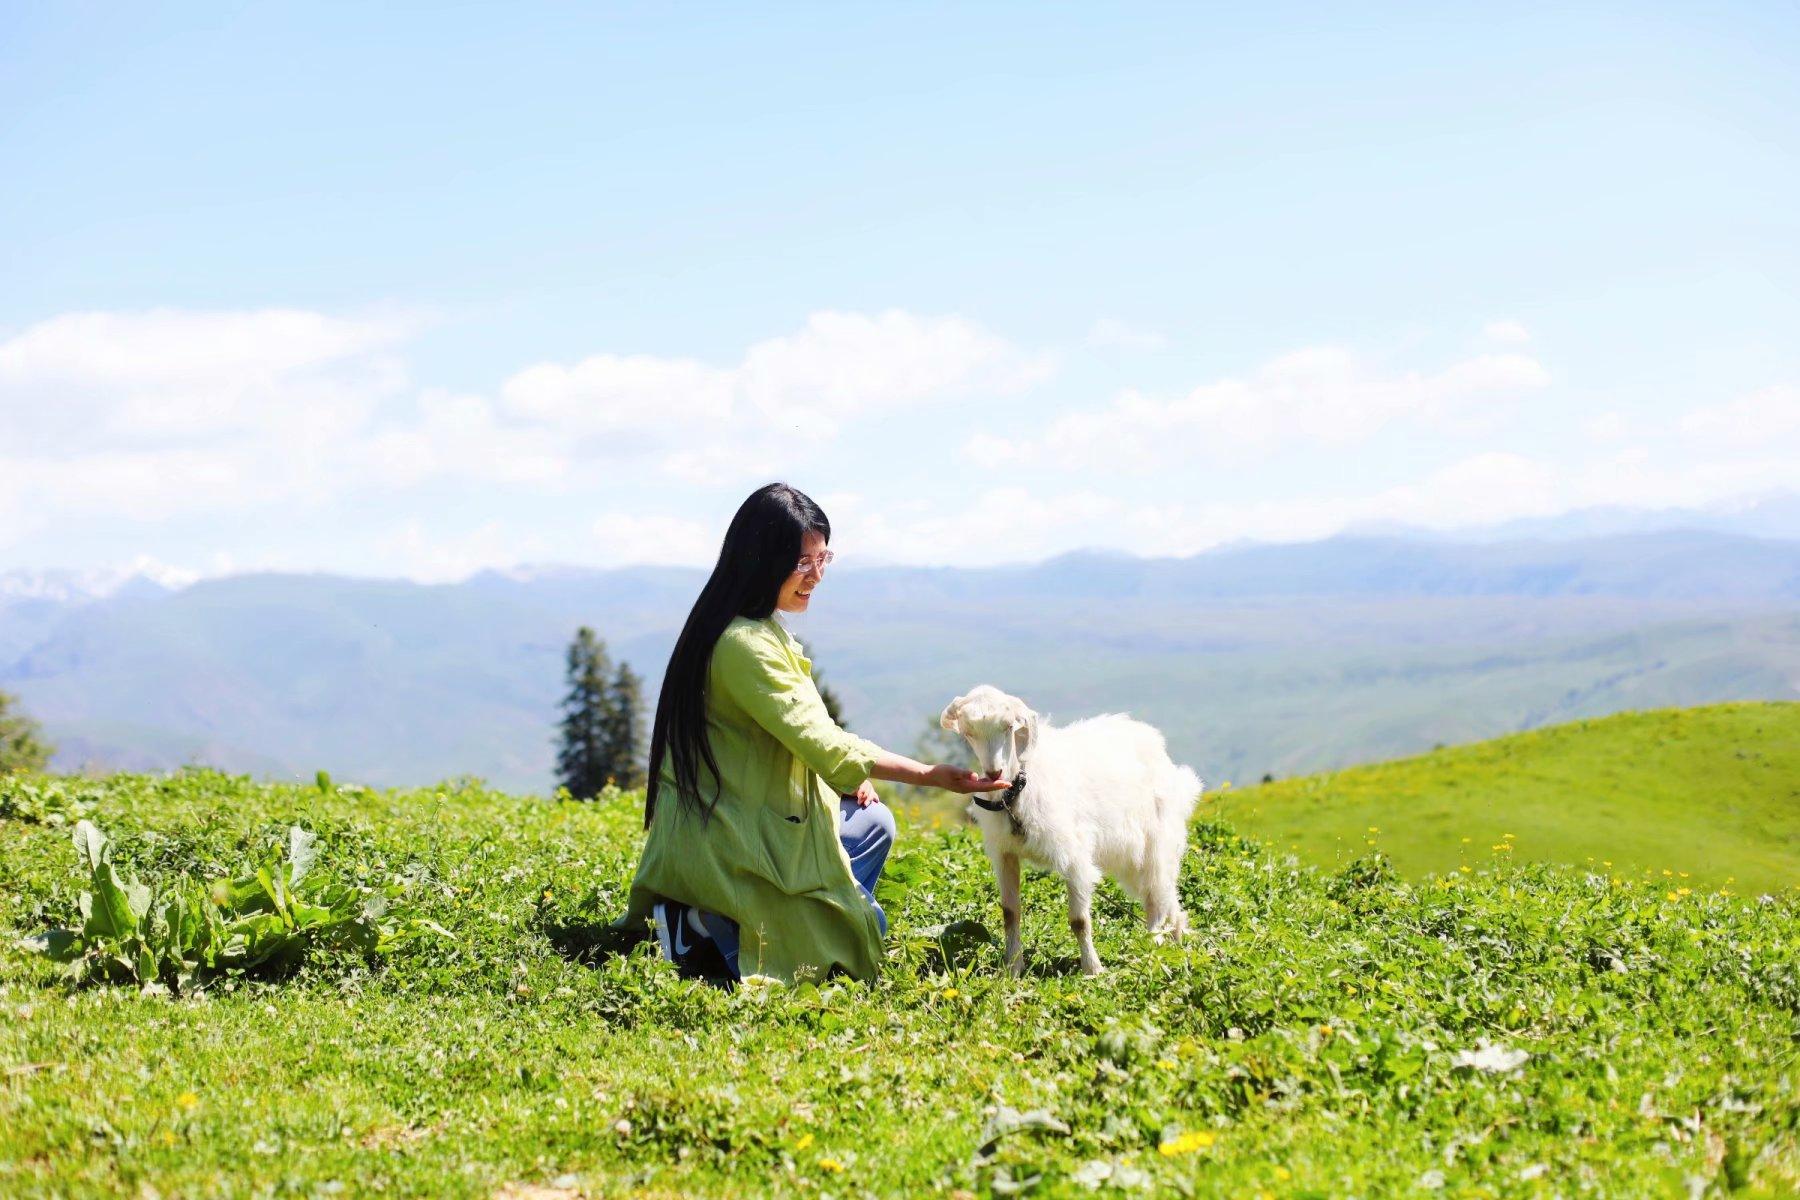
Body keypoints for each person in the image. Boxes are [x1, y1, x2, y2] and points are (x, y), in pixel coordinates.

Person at [617, 483, 1010, 985]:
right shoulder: (744, 645)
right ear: (762, 560)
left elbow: (799, 736)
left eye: (824, 559)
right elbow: (822, 742)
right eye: (804, 563)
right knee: (852, 939)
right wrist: (935, 776)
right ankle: (696, 921)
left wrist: (839, 776)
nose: (817, 576)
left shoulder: (753, 629)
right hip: (731, 834)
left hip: (739, 816)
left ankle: (723, 923)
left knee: (873, 827)